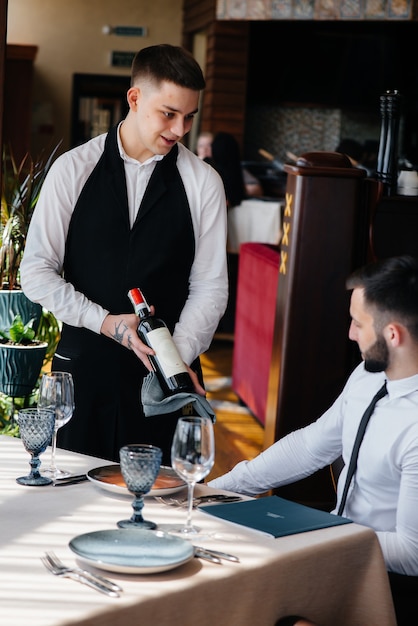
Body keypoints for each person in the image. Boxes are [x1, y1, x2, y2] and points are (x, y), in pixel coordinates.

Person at [20, 44, 228, 465]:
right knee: (71, 504)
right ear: (134, 99)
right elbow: (36, 272)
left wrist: (175, 357)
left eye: (189, 116)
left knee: (161, 511)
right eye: (168, 114)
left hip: (167, 383)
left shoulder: (204, 183)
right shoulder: (72, 169)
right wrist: (106, 322)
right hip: (83, 376)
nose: (180, 129)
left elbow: (210, 287)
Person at [209, 255, 418, 625]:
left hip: (392, 585)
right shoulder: (368, 375)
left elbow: (412, 554)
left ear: (393, 335)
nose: (351, 333)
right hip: (336, 550)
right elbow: (311, 445)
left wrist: (316, 534)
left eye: (358, 323)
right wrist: (218, 491)